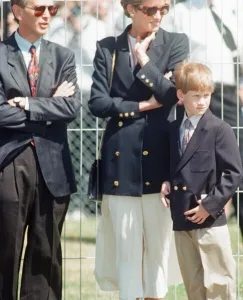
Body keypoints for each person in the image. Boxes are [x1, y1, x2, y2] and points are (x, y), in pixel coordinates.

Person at [162, 0, 243, 257]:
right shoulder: (179, 12)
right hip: (190, 95)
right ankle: (179, 235)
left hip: (227, 93)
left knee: (241, 169)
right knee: (182, 167)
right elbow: (167, 54)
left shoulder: (236, 7)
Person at [88, 0, 189, 298]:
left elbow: (174, 95)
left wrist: (144, 59)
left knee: (158, 248)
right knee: (127, 249)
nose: (158, 15)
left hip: (161, 154)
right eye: (150, 9)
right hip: (121, 158)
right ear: (130, 8)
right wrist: (142, 105)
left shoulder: (175, 43)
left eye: (164, 9)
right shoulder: (108, 47)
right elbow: (96, 102)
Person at [0, 0, 81, 299]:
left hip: (53, 167)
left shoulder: (63, 56)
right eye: (39, 8)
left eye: (53, 8)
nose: (47, 15)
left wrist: (31, 103)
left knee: (45, 254)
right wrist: (51, 103)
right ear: (17, 11)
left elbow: (71, 107)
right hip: (9, 163)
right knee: (4, 250)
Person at [160, 62, 243, 300]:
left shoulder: (219, 129)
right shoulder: (173, 128)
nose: (202, 102)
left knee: (219, 282)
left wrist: (209, 206)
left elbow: (233, 173)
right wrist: (166, 181)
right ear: (180, 95)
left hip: (209, 220)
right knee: (193, 284)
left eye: (206, 96)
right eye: (196, 96)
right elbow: (175, 165)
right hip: (182, 218)